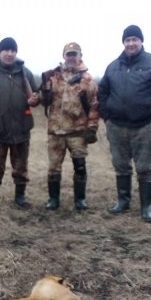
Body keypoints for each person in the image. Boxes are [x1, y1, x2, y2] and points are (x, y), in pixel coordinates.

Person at [98, 25, 151, 222]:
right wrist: (106, 116)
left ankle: (146, 207)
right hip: (116, 125)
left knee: (145, 167)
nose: (131, 43)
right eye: (128, 40)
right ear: (123, 42)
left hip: (145, 125)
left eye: (135, 39)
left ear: (141, 41)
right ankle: (123, 201)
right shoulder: (113, 66)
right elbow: (102, 92)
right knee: (121, 165)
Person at [0, 37, 39, 208]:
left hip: (21, 127)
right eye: (6, 50)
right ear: (0, 52)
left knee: (20, 166)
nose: (10, 54)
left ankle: (20, 197)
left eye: (13, 51)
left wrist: (35, 99)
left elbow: (37, 94)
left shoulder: (26, 73)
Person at [39, 42, 99, 211]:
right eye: (68, 54)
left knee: (80, 165)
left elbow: (94, 105)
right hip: (56, 130)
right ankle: (53, 199)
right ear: (63, 56)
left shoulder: (87, 79)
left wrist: (92, 127)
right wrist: (45, 89)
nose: (71, 57)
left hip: (78, 131)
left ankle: (80, 199)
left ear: (80, 56)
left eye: (75, 54)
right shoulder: (53, 76)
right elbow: (44, 101)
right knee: (54, 167)